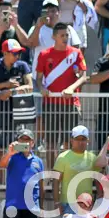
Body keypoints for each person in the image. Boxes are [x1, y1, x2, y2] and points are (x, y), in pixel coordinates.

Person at [35, 22, 87, 169]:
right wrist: (42, 88)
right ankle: (52, 173)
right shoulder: (44, 54)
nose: (65, 38)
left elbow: (84, 76)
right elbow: (39, 78)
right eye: (62, 35)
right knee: (51, 142)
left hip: (70, 103)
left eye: (67, 35)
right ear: (54, 37)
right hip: (51, 103)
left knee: (68, 142)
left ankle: (66, 172)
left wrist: (71, 88)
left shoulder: (76, 53)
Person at [0, 39, 33, 185]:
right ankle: (1, 182)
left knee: (21, 146)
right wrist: (5, 85)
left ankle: (19, 180)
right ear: (5, 53)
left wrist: (10, 92)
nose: (17, 56)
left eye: (19, 53)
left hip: (19, 114)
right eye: (14, 53)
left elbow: (30, 86)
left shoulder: (22, 65)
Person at [23, 0, 82, 84]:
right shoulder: (35, 29)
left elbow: (77, 51)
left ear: (59, 13)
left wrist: (75, 68)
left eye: (53, 11)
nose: (50, 14)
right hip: (41, 81)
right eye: (46, 12)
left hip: (64, 79)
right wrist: (38, 26)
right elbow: (31, 44)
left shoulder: (69, 29)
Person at [53, 125, 100, 215]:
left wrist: (99, 198)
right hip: (68, 204)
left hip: (87, 204)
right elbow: (55, 181)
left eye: (83, 139)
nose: (80, 142)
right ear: (71, 140)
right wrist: (56, 202)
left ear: (88, 141)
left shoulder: (92, 157)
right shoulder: (63, 157)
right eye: (77, 139)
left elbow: (99, 179)